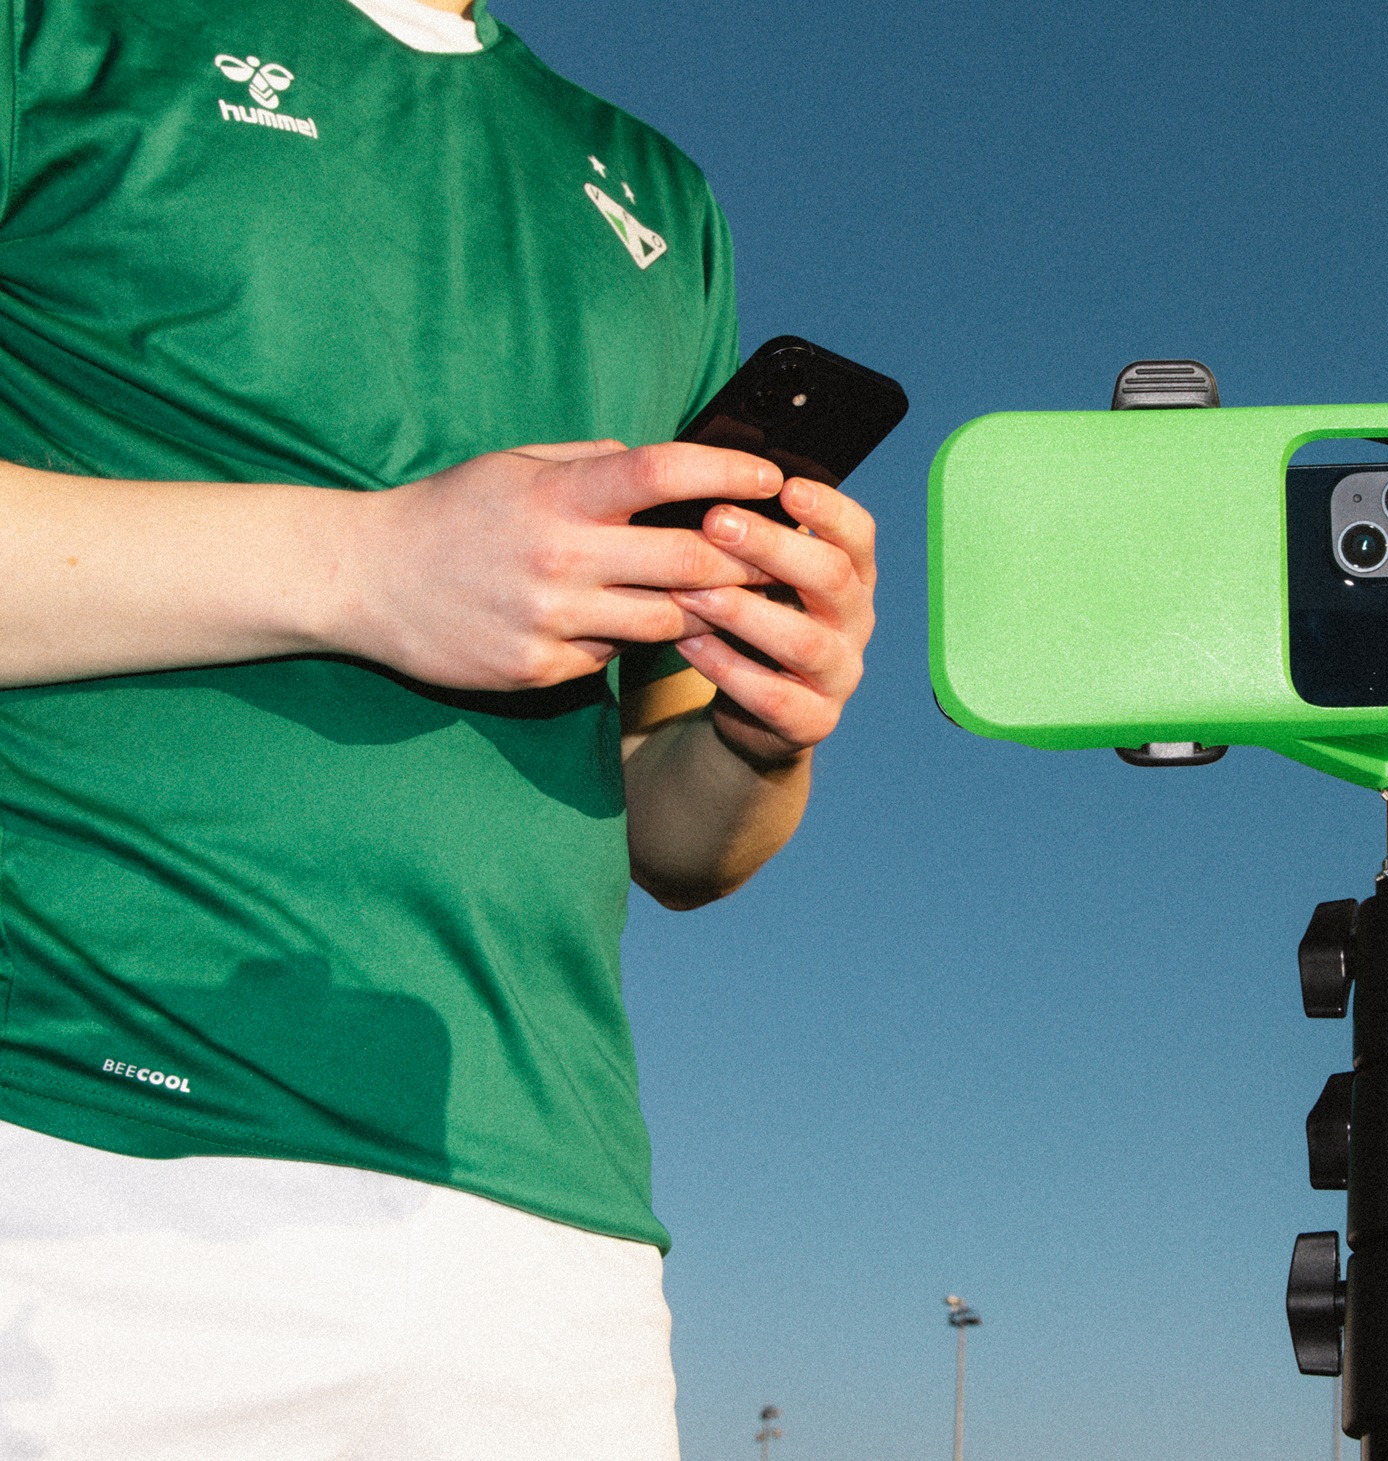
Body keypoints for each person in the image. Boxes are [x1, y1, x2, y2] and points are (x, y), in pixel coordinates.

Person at [0, 0, 875, 1455]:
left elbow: (677, 835)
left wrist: (765, 727)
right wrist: (371, 566)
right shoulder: (62, 27)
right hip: (78, 1146)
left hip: (552, 1241)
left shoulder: (661, 196)